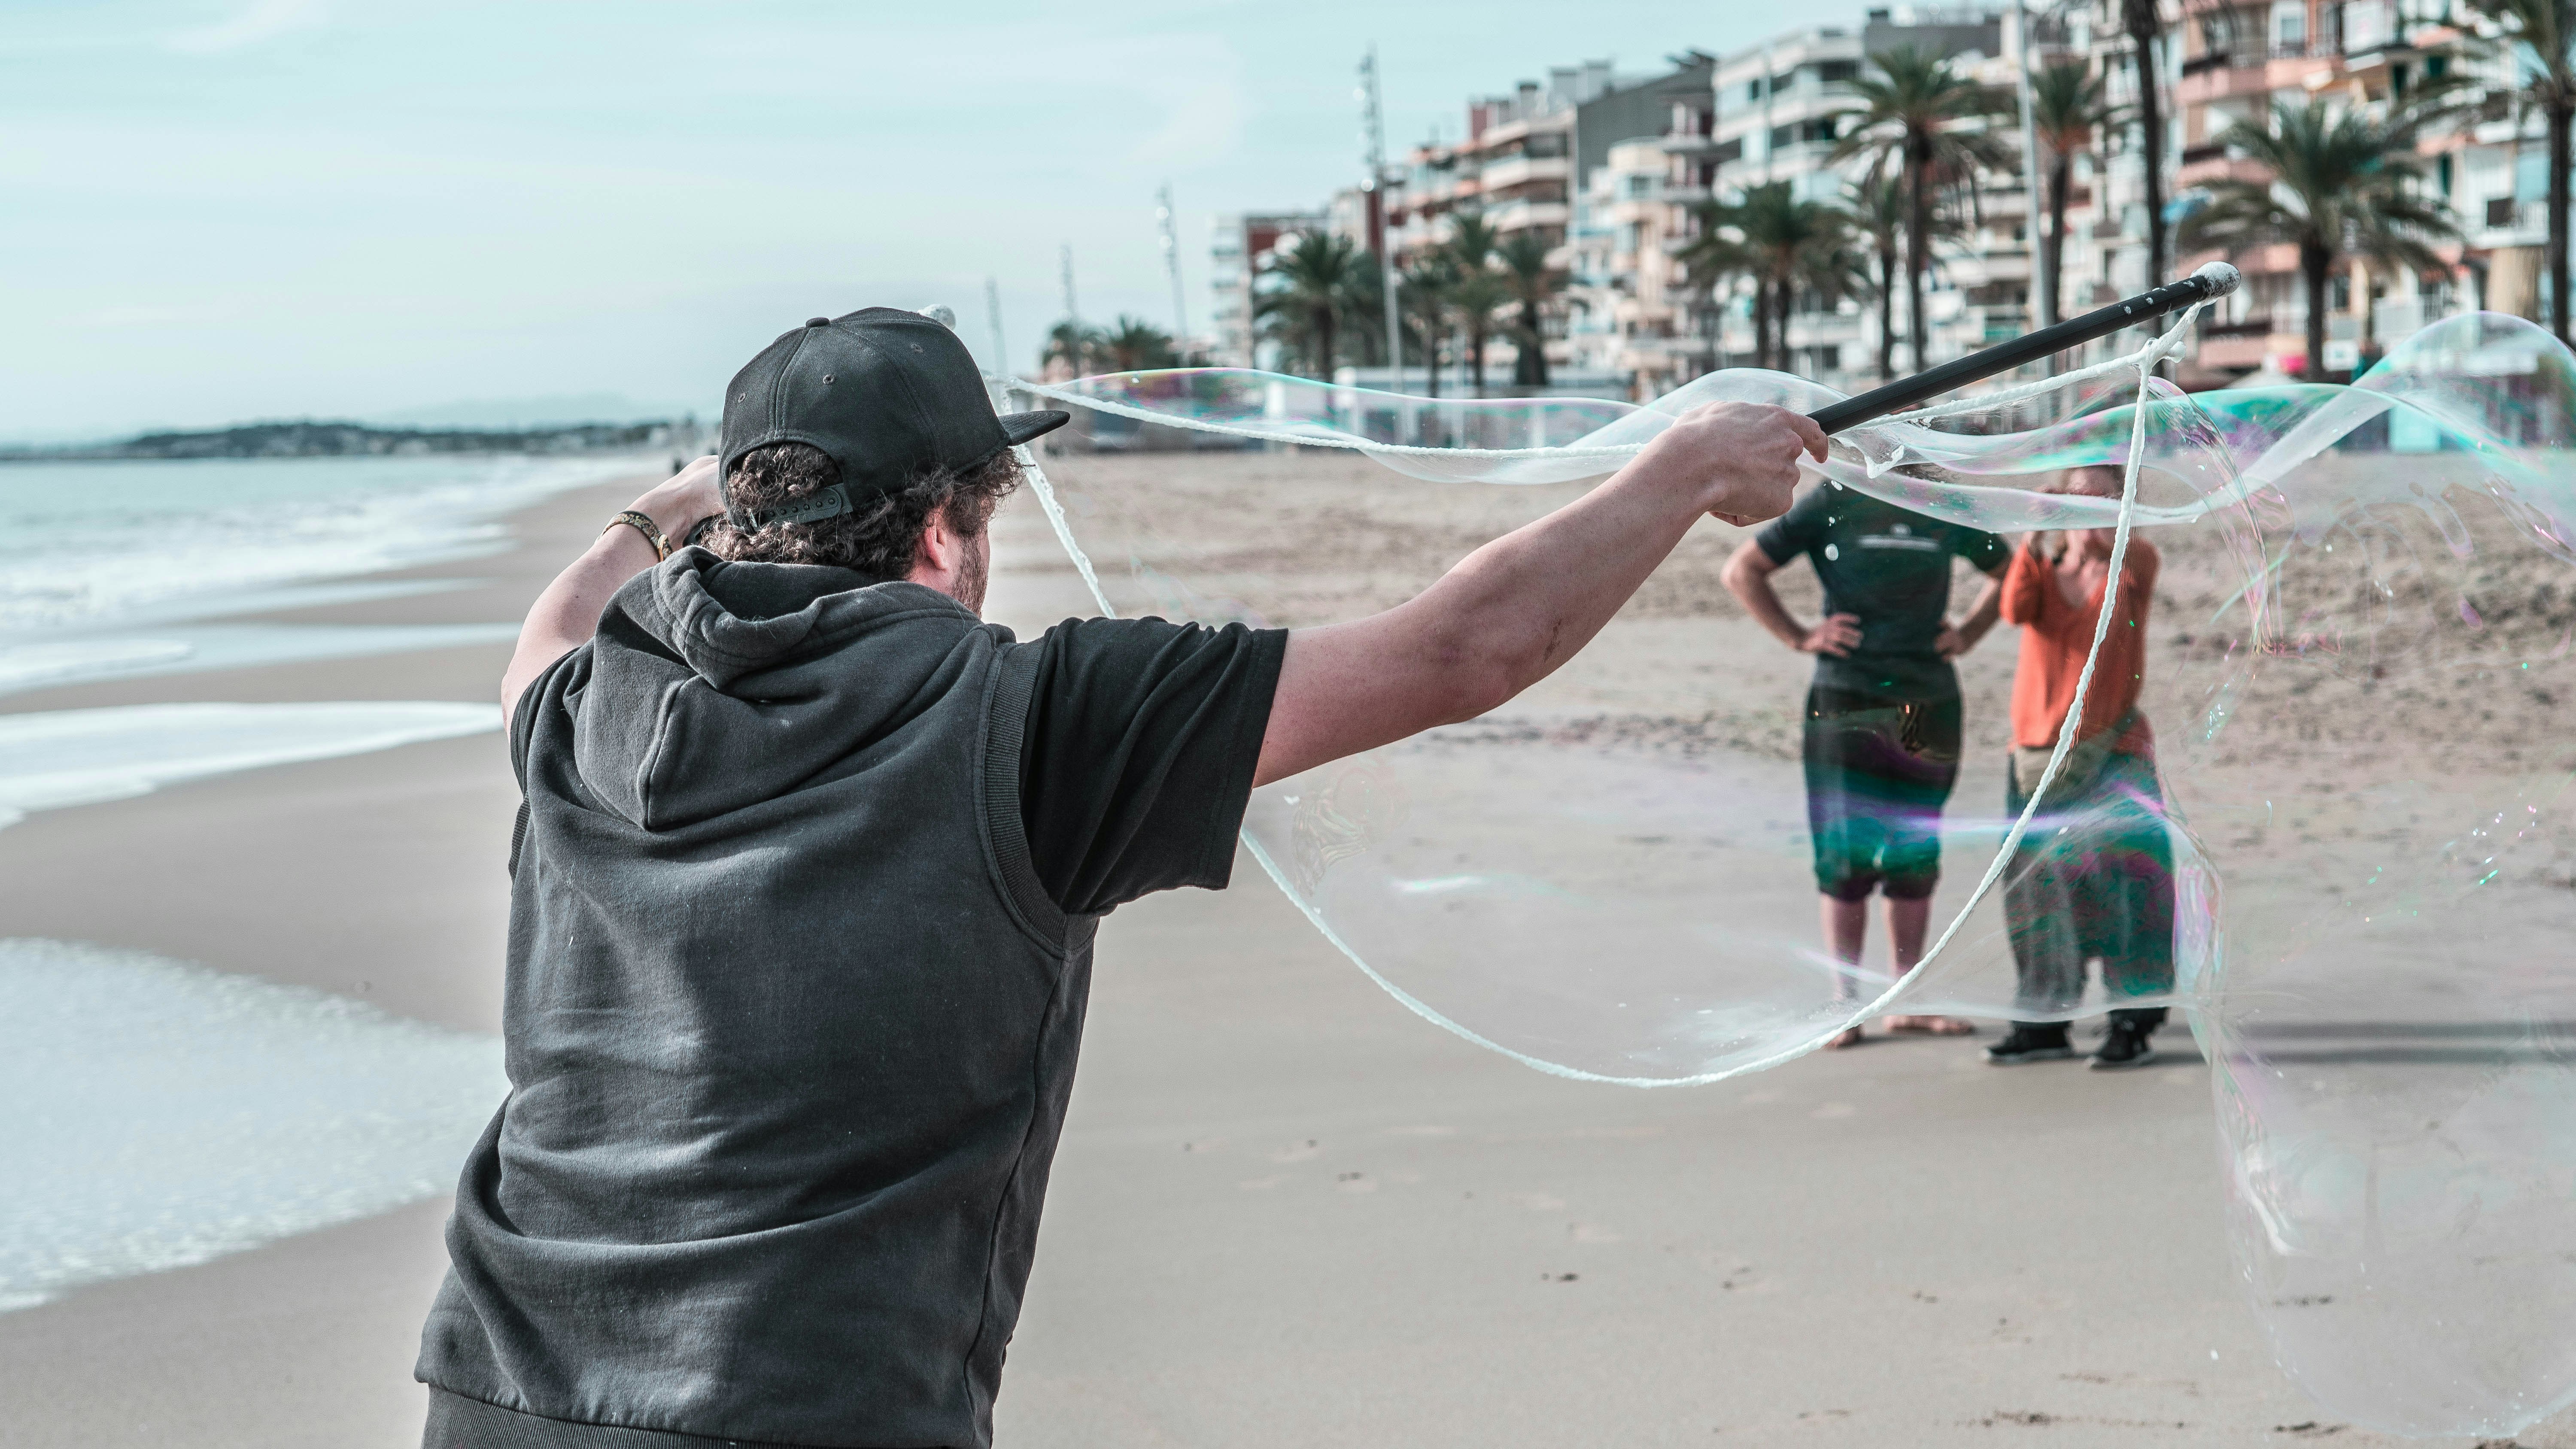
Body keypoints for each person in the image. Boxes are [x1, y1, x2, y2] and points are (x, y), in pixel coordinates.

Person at [414, 307, 1826, 1449]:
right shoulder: (1028, 722)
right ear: (950, 531)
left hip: (496, 1393)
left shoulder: (583, 709)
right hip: (804, 1405)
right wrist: (1687, 470)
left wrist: (666, 510)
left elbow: (549, 623)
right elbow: (1464, 650)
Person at [1722, 481, 2008, 1047]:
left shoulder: (1938, 502)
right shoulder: (1832, 503)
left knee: (1915, 849)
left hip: (1928, 698)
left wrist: (1970, 631)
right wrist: (1801, 637)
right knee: (1844, 853)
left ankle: (1906, 1001)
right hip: (1845, 697)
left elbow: (2012, 572)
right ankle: (1846, 1005)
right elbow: (1742, 571)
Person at [1983, 465, 2177, 1070]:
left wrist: (2105, 534)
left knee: (2128, 885)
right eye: (2079, 494)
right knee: (2035, 891)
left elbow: (2137, 560)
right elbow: (2014, 610)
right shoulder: (2043, 571)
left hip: (2115, 752)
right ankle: (2045, 1021)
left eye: (2107, 495)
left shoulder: (2132, 564)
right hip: (2036, 757)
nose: (2091, 505)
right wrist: (2034, 538)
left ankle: (2132, 1022)